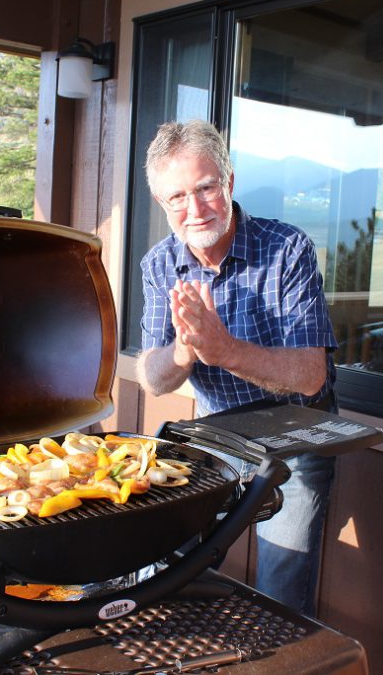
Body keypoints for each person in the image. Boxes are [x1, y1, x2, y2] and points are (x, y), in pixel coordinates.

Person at [136, 119, 339, 617]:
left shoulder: (287, 249)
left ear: (228, 182)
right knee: (161, 564)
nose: (195, 208)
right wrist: (185, 350)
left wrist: (222, 348)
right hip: (217, 433)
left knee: (279, 588)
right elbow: (153, 378)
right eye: (177, 197)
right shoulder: (160, 265)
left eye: (205, 188)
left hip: (297, 437)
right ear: (163, 205)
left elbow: (311, 375)